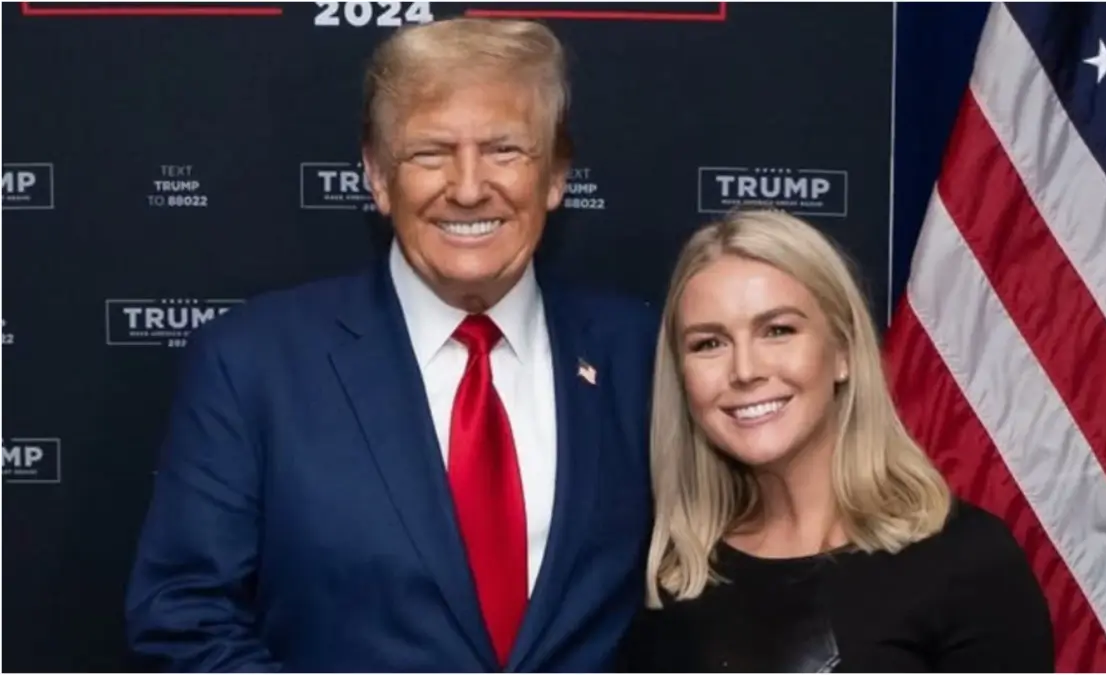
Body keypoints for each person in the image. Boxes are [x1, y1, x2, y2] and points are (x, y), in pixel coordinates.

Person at [125, 18, 658, 672]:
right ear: (378, 176)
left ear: (555, 174)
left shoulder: (640, 356)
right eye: (431, 153)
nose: (467, 187)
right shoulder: (253, 364)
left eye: (504, 150)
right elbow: (184, 614)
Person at [619, 210, 1055, 672]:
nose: (745, 370)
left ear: (843, 352)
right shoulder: (675, 572)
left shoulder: (967, 563)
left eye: (778, 331)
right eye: (709, 343)